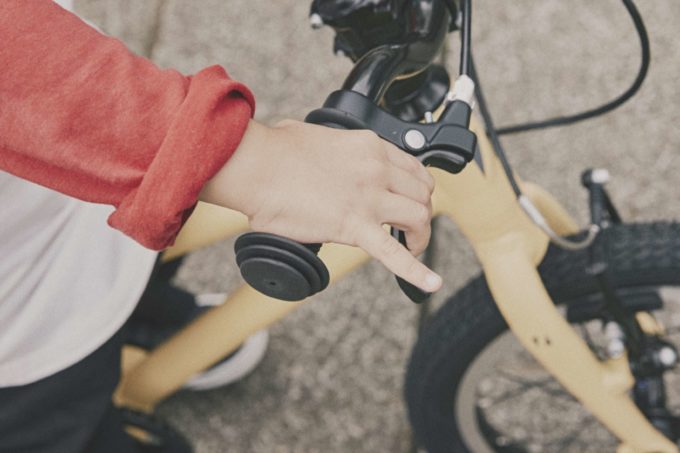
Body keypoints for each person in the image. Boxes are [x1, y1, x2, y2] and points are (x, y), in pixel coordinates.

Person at [0, 0, 442, 451]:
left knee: (147, 230)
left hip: (64, 163)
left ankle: (134, 319)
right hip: (20, 313)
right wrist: (260, 164)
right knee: (54, 417)